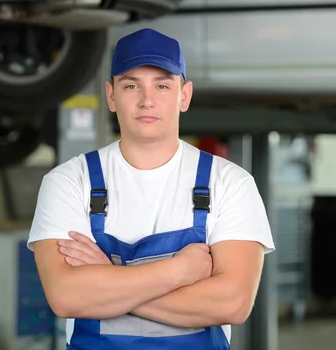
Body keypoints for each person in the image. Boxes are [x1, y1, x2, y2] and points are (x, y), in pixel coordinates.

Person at [28, 28, 275, 350]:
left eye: (162, 85)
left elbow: (232, 304)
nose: (147, 100)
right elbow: (66, 297)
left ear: (184, 95)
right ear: (111, 95)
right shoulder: (70, 181)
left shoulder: (230, 183)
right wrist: (180, 270)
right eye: (132, 85)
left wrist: (109, 276)